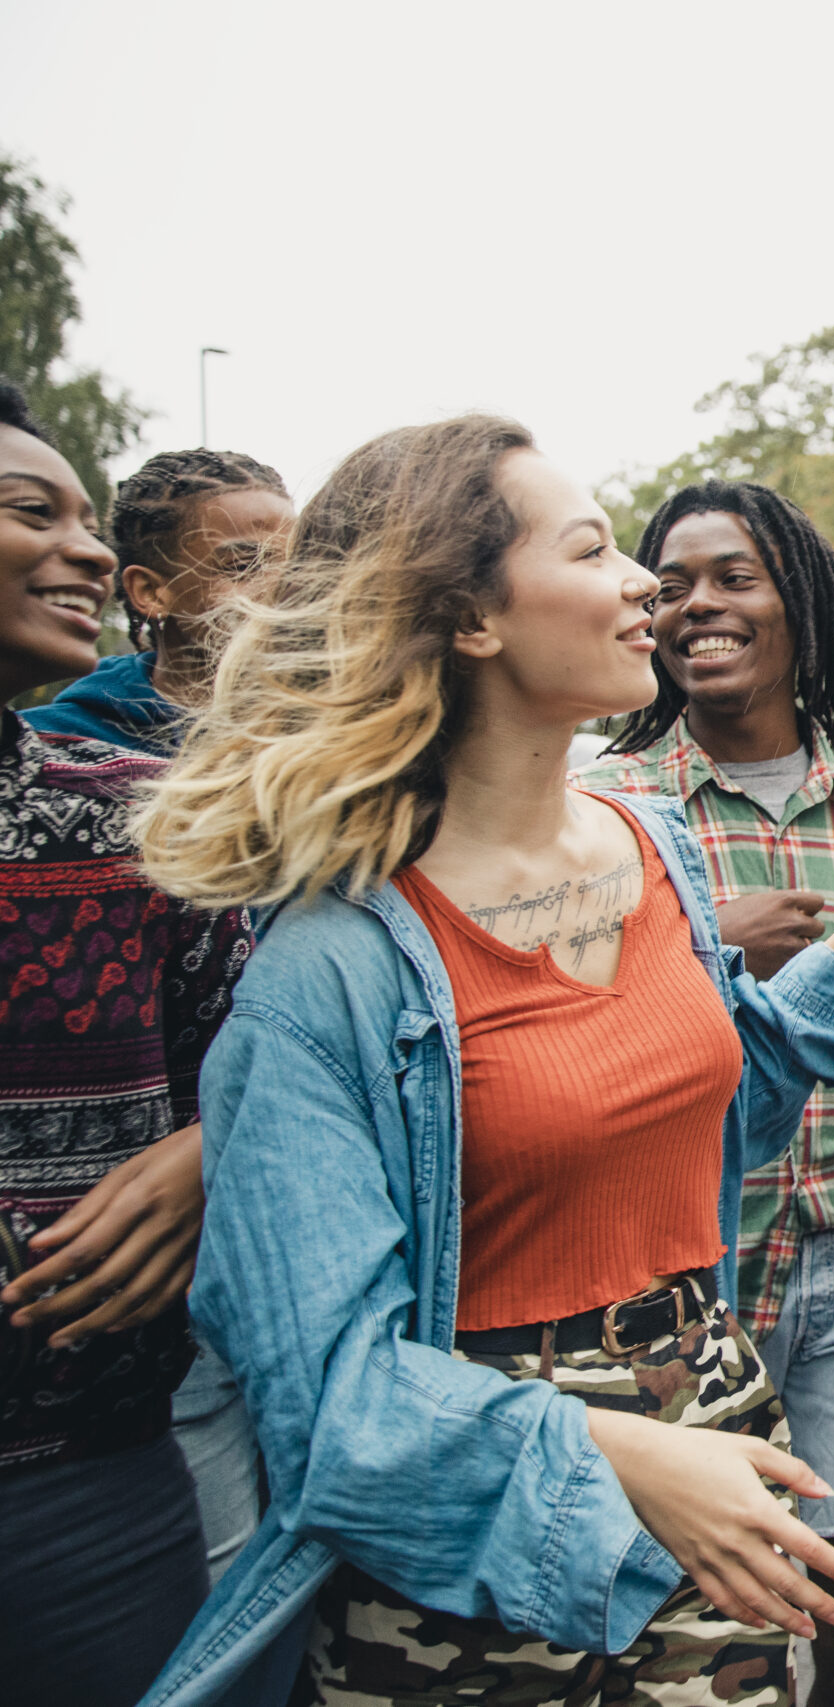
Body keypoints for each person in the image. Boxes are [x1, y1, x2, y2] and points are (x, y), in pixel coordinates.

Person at [128, 416, 834, 1707]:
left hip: (715, 1474)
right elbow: (336, 1411)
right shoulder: (325, 975)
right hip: (476, 1551)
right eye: (596, 548)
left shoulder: (661, 850)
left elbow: (686, 1137)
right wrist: (632, 1460)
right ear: (472, 619)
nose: (646, 582)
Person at [579, 479, 834, 1707]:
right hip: (678, 1278)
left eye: (734, 576)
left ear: (798, 601)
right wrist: (702, 939)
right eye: (673, 581)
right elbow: (568, 1045)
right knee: (693, 1631)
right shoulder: (603, 812)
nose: (699, 602)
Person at [0, 379, 259, 1707]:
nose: (83, 549)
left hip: (98, 1465)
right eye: (28, 510)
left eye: (89, 518)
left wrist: (209, 1150)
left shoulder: (135, 823)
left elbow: (280, 1062)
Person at [26, 448, 294, 755]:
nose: (288, 585)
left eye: (298, 561)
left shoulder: (335, 725)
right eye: (244, 566)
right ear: (150, 592)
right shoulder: (46, 747)